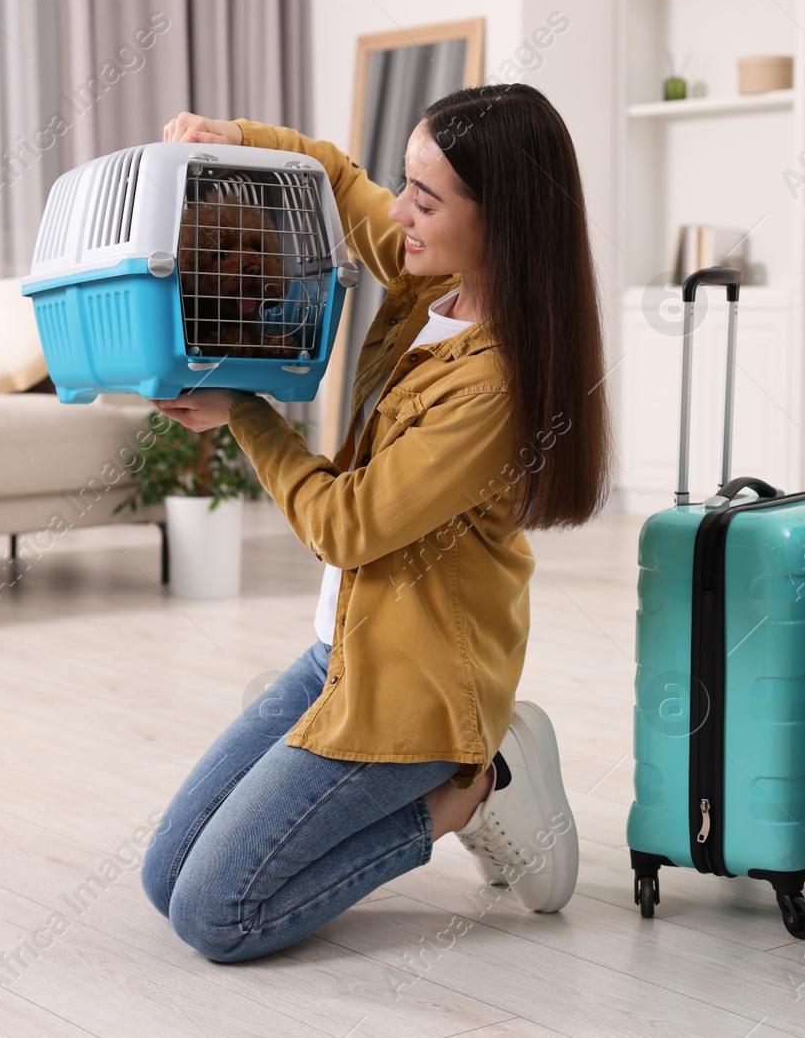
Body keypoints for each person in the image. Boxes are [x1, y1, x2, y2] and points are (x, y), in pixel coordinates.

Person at [140, 83, 613, 964]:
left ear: (499, 220)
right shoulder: (420, 275)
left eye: (425, 198)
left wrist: (243, 409)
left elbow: (347, 525)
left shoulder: (493, 386)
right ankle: (465, 771)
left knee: (214, 916)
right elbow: (331, 177)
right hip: (339, 655)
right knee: (162, 877)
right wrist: (234, 136)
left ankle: (468, 790)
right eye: (407, 182)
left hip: (415, 687)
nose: (398, 210)